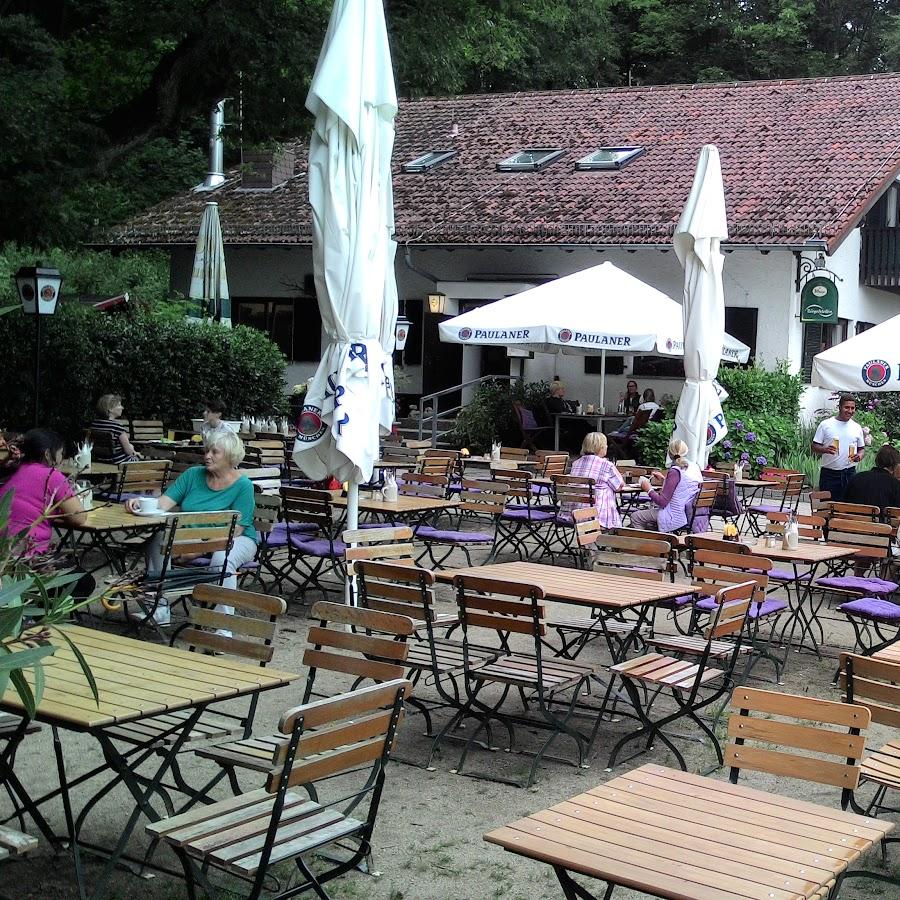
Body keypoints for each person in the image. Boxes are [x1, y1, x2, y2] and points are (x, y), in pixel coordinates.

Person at [126, 430, 257, 626]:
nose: (207, 456)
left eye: (215, 452)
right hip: (192, 536)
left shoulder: (243, 486)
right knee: (158, 536)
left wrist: (197, 551)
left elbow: (236, 530)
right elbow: (163, 504)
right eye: (207, 451)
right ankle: (158, 609)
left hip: (237, 539)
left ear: (230, 457)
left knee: (223, 557)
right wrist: (141, 502)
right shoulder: (193, 475)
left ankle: (223, 625)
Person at [0, 429, 95, 598]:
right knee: (84, 581)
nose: (62, 459)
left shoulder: (10, 470)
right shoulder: (51, 475)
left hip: (4, 558)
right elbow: (79, 517)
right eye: (61, 454)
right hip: (26, 561)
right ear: (47, 454)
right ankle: (36, 611)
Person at [630, 438, 703, 532]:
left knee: (636, 516)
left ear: (669, 453)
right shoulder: (694, 467)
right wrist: (665, 480)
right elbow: (683, 487)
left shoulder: (675, 471)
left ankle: (643, 545)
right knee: (648, 517)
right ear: (686, 451)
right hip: (689, 513)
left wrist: (648, 489)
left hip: (674, 515)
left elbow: (662, 502)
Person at [811, 395, 866, 503]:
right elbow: (814, 447)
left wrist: (859, 456)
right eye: (847, 407)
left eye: (852, 408)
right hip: (830, 474)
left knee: (848, 506)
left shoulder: (856, 427)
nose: (850, 411)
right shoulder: (826, 425)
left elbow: (862, 449)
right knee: (826, 507)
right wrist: (825, 449)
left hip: (849, 473)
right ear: (840, 407)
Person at [568, 432, 625, 528]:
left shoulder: (575, 463)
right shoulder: (606, 465)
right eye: (605, 445)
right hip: (597, 515)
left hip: (573, 514)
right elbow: (619, 486)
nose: (607, 447)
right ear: (601, 447)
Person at [843, 444, 900, 514]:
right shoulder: (895, 485)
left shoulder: (856, 478)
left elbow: (845, 503)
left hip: (850, 523)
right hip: (880, 524)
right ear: (894, 465)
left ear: (877, 460)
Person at [90, 394, 140, 464]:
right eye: (119, 405)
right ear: (110, 409)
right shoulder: (117, 426)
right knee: (141, 458)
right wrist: (131, 447)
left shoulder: (95, 424)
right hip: (118, 462)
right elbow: (128, 451)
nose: (122, 408)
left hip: (100, 460)